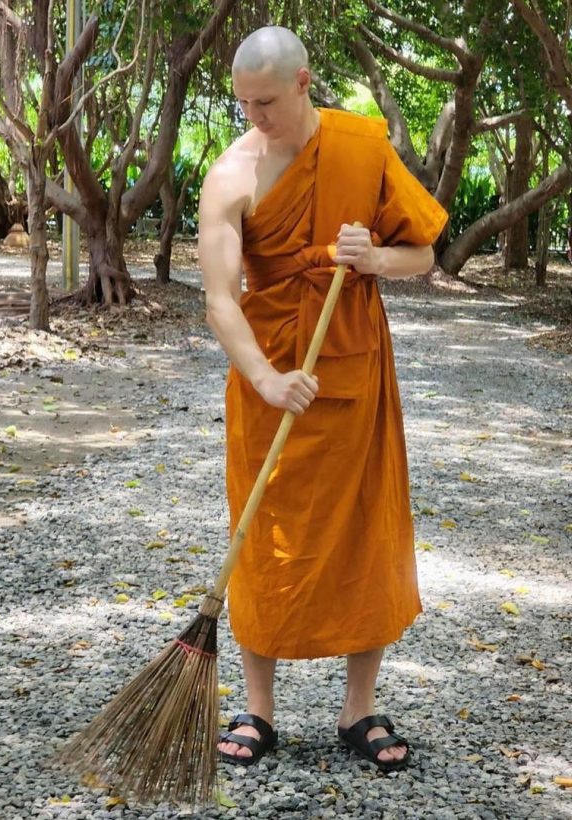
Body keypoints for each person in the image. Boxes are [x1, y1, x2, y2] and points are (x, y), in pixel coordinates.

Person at [197, 25, 448, 772]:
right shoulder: (230, 175)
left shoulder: (362, 149)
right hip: (271, 376)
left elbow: (425, 251)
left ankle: (358, 708)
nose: (255, 118)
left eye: (266, 102)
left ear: (305, 83)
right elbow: (219, 300)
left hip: (353, 371)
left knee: (364, 534)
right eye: (243, 103)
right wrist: (267, 379)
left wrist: (375, 257)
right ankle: (260, 710)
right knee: (262, 536)